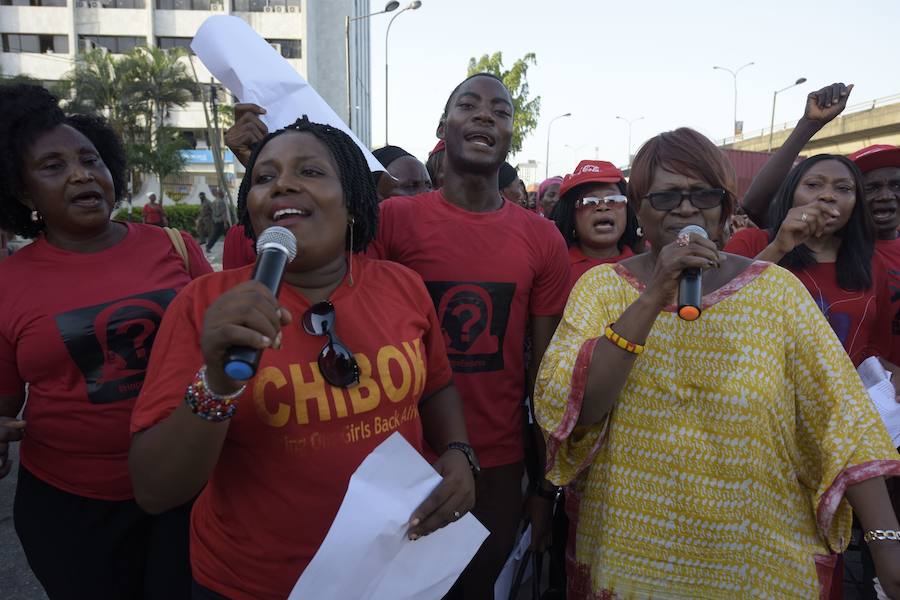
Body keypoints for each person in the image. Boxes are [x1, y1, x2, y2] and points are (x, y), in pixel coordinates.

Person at [223, 74, 571, 597]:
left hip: (497, 461)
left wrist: (543, 485)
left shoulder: (542, 237)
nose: (484, 116)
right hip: (394, 455)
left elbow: (547, 373)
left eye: (500, 111)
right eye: (468, 105)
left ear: (509, 135)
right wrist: (260, 163)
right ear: (441, 128)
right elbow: (311, 270)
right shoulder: (391, 220)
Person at [534, 126, 900, 599]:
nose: (686, 209)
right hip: (632, 557)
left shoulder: (776, 291)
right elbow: (573, 407)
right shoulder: (601, 290)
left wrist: (887, 543)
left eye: (703, 194)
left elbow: (842, 417)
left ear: (725, 206)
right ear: (639, 210)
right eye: (666, 197)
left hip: (757, 559)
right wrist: (654, 296)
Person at [129, 116, 476, 600]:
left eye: (310, 172)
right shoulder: (207, 305)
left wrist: (459, 453)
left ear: (354, 202)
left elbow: (438, 386)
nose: (283, 184)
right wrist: (217, 382)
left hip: (397, 568)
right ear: (250, 206)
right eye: (265, 177)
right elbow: (155, 489)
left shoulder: (403, 286)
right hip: (254, 584)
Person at [0, 84, 211, 599]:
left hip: (187, 488)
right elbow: (5, 400)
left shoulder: (176, 247)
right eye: (53, 167)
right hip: (71, 508)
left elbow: (223, 343)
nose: (80, 174)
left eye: (90, 159)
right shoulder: (8, 283)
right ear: (23, 192)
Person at [725, 154, 895, 374]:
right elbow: (719, 309)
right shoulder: (751, 242)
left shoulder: (871, 261)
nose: (827, 196)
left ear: (856, 203)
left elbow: (875, 346)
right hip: (760, 394)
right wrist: (778, 248)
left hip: (841, 401)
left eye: (843, 189)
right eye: (813, 185)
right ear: (791, 193)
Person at [552, 160, 644, 295]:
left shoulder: (645, 268)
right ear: (571, 214)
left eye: (613, 200)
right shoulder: (556, 270)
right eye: (589, 202)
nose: (603, 207)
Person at [848, 144, 900, 366]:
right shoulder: (835, 252)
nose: (886, 195)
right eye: (872, 188)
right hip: (869, 390)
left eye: (896, 185)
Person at [205, 189, 231, 254]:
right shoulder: (222, 202)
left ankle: (208, 246)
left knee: (215, 235)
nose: (223, 195)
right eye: (223, 194)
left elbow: (212, 212)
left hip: (216, 221)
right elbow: (223, 213)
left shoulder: (214, 202)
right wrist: (225, 223)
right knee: (230, 235)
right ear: (220, 194)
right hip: (222, 222)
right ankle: (233, 247)